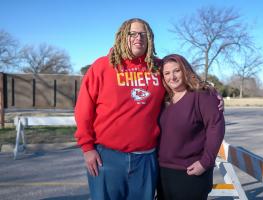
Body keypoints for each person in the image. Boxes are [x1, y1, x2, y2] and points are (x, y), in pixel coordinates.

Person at [75, 18, 223, 200]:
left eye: (143, 34)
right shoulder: (102, 67)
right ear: (122, 37)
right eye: (133, 34)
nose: (139, 38)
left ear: (150, 39)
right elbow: (83, 110)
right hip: (108, 157)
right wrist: (87, 147)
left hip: (146, 159)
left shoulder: (157, 68)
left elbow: (181, 74)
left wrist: (209, 89)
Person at [157, 54, 225, 200]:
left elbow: (216, 128)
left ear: (185, 70)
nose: (172, 77)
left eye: (177, 71)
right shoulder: (163, 99)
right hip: (164, 173)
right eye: (167, 73)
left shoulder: (202, 95)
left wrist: (205, 162)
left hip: (191, 172)